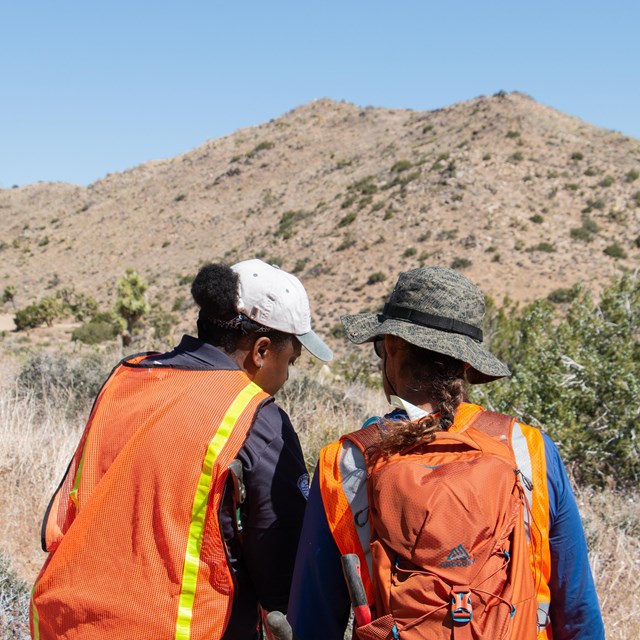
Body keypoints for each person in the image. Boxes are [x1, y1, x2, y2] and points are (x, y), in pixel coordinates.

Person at [288, 265, 604, 640]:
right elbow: (578, 609)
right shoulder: (528, 449)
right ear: (467, 364)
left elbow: (313, 620)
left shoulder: (345, 463)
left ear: (391, 348)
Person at [30, 258, 332, 640]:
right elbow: (282, 572)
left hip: (63, 621)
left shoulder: (127, 376)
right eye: (290, 361)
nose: (286, 376)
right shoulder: (257, 418)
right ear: (261, 350)